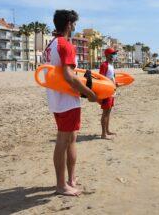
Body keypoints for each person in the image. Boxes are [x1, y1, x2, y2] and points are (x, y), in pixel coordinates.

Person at [42, 10, 97, 196]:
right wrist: (89, 92)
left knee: (70, 139)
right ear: (68, 24)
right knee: (63, 140)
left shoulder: (50, 44)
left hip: (56, 98)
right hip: (66, 100)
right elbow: (68, 75)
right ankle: (61, 185)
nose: (75, 28)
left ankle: (70, 179)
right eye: (74, 24)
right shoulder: (65, 45)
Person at [99, 48, 118, 139]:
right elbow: (101, 78)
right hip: (106, 91)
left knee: (109, 111)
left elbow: (112, 77)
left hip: (112, 90)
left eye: (114, 54)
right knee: (105, 112)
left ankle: (107, 130)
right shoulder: (104, 65)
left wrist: (115, 83)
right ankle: (103, 134)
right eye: (113, 54)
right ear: (107, 55)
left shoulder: (111, 65)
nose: (114, 55)